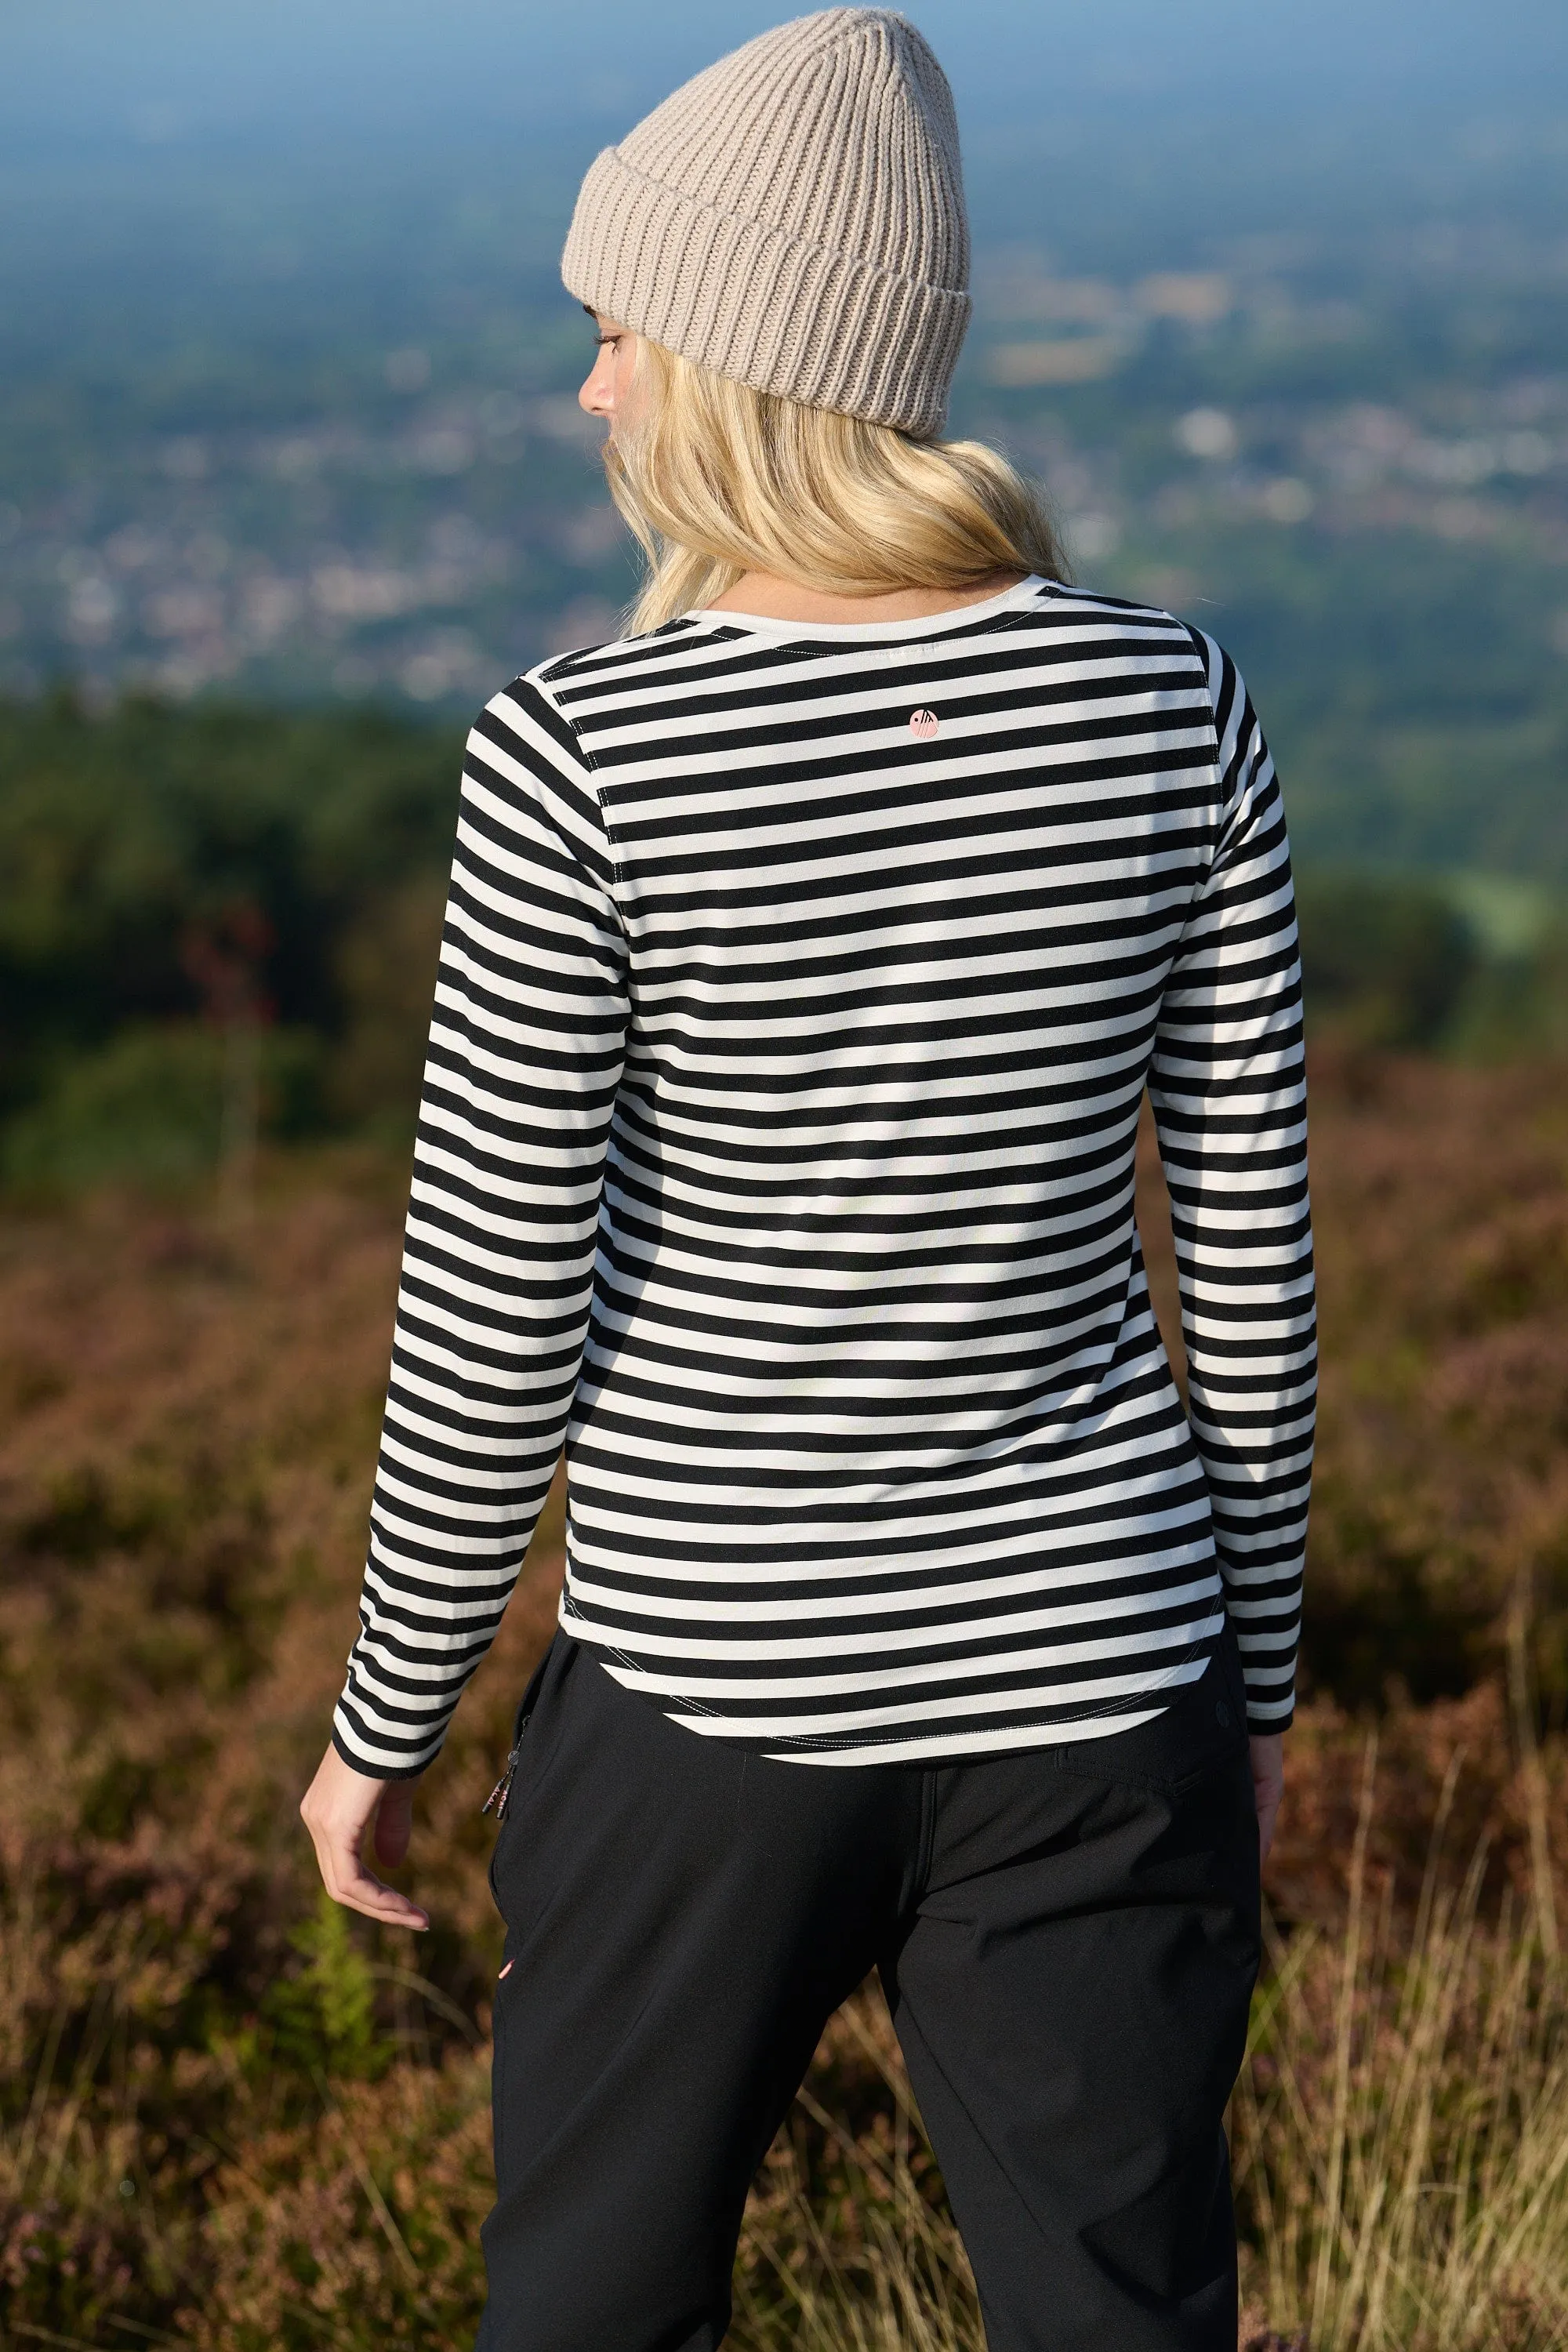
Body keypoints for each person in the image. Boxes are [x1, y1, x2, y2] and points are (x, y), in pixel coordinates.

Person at [300, 11, 1315, 2348]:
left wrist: (384, 1731)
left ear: (742, 358)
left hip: (707, 1700)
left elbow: (491, 1325)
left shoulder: (580, 758)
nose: (592, 393)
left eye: (615, 330)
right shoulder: (1179, 703)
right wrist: (1254, 1692)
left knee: (591, 2312)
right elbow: (1251, 1274)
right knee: (1124, 2316)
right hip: (1108, 1678)